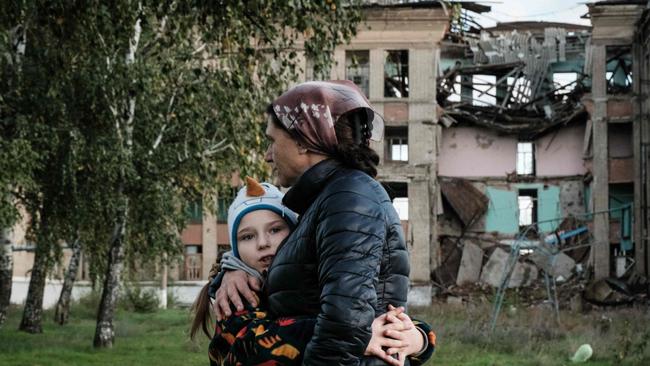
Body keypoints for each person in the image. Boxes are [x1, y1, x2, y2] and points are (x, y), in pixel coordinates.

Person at [213, 80, 435, 365]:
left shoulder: (349, 197)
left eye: (272, 140)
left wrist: (420, 338)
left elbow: (344, 325)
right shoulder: (326, 200)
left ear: (304, 141)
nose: (268, 155)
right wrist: (233, 269)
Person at [191, 177, 435, 366]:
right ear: (236, 249)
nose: (263, 242)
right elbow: (248, 348)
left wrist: (419, 339)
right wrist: (351, 337)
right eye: (247, 236)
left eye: (275, 230)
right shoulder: (236, 294)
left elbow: (376, 318)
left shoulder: (307, 276)